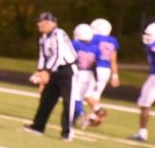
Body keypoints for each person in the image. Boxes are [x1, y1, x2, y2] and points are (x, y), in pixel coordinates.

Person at [23, 12, 78, 141]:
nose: (38, 24)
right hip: (53, 71)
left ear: (49, 23)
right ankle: (38, 127)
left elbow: (58, 55)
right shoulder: (43, 37)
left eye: (41, 22)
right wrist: (40, 71)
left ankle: (67, 132)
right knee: (46, 99)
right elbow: (43, 56)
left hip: (66, 71)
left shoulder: (58, 33)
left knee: (68, 102)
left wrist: (46, 71)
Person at [85, 17, 120, 126]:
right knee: (95, 96)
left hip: (95, 68)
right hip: (107, 70)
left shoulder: (94, 38)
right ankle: (94, 119)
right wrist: (115, 75)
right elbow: (113, 59)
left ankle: (99, 111)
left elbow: (89, 54)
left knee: (85, 93)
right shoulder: (113, 40)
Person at [70, 23, 98, 129]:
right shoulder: (95, 47)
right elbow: (96, 64)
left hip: (78, 73)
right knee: (79, 98)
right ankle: (73, 120)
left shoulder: (75, 44)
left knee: (75, 98)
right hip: (89, 74)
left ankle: (83, 116)